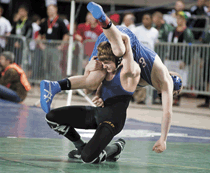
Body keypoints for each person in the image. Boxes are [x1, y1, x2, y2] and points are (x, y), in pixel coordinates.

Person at [40, 2, 183, 157]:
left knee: (93, 79)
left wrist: (99, 92)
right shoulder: (164, 79)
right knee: (120, 50)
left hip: (108, 39)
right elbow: (167, 113)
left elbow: (107, 79)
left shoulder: (148, 78)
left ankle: (54, 86)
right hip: (121, 37)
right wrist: (163, 139)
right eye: (169, 93)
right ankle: (103, 19)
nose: (164, 93)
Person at [38, 4, 69, 80]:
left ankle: (56, 82)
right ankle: (46, 81)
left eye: (51, 9)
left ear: (56, 10)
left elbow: (66, 34)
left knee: (55, 65)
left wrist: (61, 45)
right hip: (47, 46)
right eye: (48, 10)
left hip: (56, 47)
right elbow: (39, 34)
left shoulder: (60, 21)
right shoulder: (45, 21)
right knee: (46, 65)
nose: (49, 11)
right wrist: (40, 44)